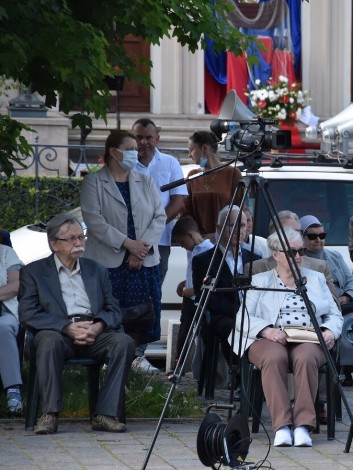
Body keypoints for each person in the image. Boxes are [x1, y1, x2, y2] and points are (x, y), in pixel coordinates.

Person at [18, 213, 135, 435]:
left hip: (94, 331)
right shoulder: (33, 272)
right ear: (54, 244)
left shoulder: (96, 270)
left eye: (81, 237)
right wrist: (66, 327)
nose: (79, 243)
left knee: (123, 342)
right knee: (48, 341)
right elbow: (27, 313)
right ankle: (50, 414)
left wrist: (97, 326)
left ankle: (105, 414)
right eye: (71, 239)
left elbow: (113, 309)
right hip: (58, 332)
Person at [232, 229, 342, 448]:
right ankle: (282, 426)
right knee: (274, 358)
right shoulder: (260, 280)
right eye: (292, 252)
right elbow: (242, 316)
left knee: (306, 357)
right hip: (270, 337)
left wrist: (330, 330)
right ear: (275, 255)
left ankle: (302, 425)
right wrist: (266, 331)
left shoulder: (316, 279)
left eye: (301, 251)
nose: (299, 256)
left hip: (307, 336)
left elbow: (334, 314)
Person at [80, 129, 166, 353]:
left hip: (144, 262)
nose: (134, 154)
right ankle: (108, 360)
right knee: (110, 314)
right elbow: (94, 221)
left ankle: (136, 360)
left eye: (135, 150)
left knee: (143, 315)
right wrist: (128, 244)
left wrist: (141, 249)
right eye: (129, 150)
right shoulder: (94, 182)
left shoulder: (145, 181)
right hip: (108, 263)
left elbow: (159, 216)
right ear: (113, 152)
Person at [192, 206, 260, 392]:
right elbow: (204, 295)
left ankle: (257, 380)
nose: (239, 231)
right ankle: (243, 379)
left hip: (252, 313)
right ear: (220, 227)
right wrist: (238, 311)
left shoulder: (255, 258)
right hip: (221, 315)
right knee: (233, 328)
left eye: (243, 225)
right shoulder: (203, 260)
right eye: (233, 225)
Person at [131, 118, 187, 284]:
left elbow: (178, 202)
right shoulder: (124, 164)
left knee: (154, 291)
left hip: (160, 240)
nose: (143, 142)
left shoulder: (170, 163)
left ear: (157, 139)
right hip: (129, 240)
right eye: (138, 137)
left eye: (148, 138)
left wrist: (152, 229)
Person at [172, 216, 214, 368]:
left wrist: (194, 290)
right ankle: (179, 362)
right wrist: (184, 284)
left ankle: (203, 364)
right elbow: (192, 273)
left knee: (201, 331)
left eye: (182, 242)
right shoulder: (191, 251)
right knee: (184, 329)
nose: (182, 247)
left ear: (190, 235)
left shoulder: (209, 251)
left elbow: (210, 278)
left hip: (201, 298)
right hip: (189, 298)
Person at [185, 130, 243, 239]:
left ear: (205, 148)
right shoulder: (193, 175)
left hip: (225, 241)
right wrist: (198, 236)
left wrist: (219, 235)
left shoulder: (232, 173)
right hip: (200, 243)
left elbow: (239, 209)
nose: (189, 155)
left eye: (191, 149)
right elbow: (186, 212)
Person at [300, 215, 353, 311]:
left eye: (322, 236)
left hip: (344, 307)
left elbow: (351, 280)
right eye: (312, 237)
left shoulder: (335, 256)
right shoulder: (298, 260)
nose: (318, 240)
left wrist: (347, 296)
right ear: (302, 238)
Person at [0, 242, 22, 413]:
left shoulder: (6, 252)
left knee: (3, 327)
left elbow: (15, 286)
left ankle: (13, 390)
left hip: (4, 311)